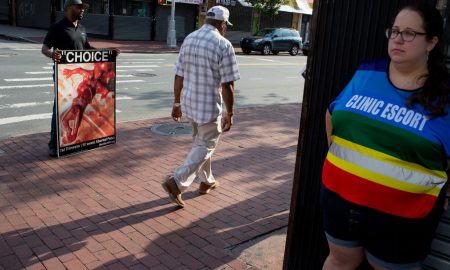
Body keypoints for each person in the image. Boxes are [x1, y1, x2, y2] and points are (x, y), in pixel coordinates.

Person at [321, 3, 449, 270]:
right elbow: (332, 113)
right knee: (340, 262)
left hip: (402, 218)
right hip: (341, 202)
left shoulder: (445, 95)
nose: (398, 39)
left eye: (410, 33)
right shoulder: (367, 72)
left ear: (431, 42)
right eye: (394, 31)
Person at [161, 5, 240, 208]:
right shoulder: (223, 44)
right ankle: (177, 182)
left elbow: (179, 74)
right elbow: (228, 84)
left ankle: (207, 181)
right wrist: (229, 112)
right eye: (225, 25)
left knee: (201, 144)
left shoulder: (189, 38)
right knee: (206, 145)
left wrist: (176, 102)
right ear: (222, 24)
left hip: (189, 104)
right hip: (208, 107)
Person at [41, 0, 118, 157]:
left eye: (84, 8)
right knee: (61, 108)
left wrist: (107, 52)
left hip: (83, 79)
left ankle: (75, 142)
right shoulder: (58, 27)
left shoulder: (82, 29)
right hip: (65, 77)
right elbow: (44, 48)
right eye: (79, 7)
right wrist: (52, 54)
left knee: (77, 110)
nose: (83, 10)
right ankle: (54, 145)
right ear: (69, 7)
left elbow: (88, 49)